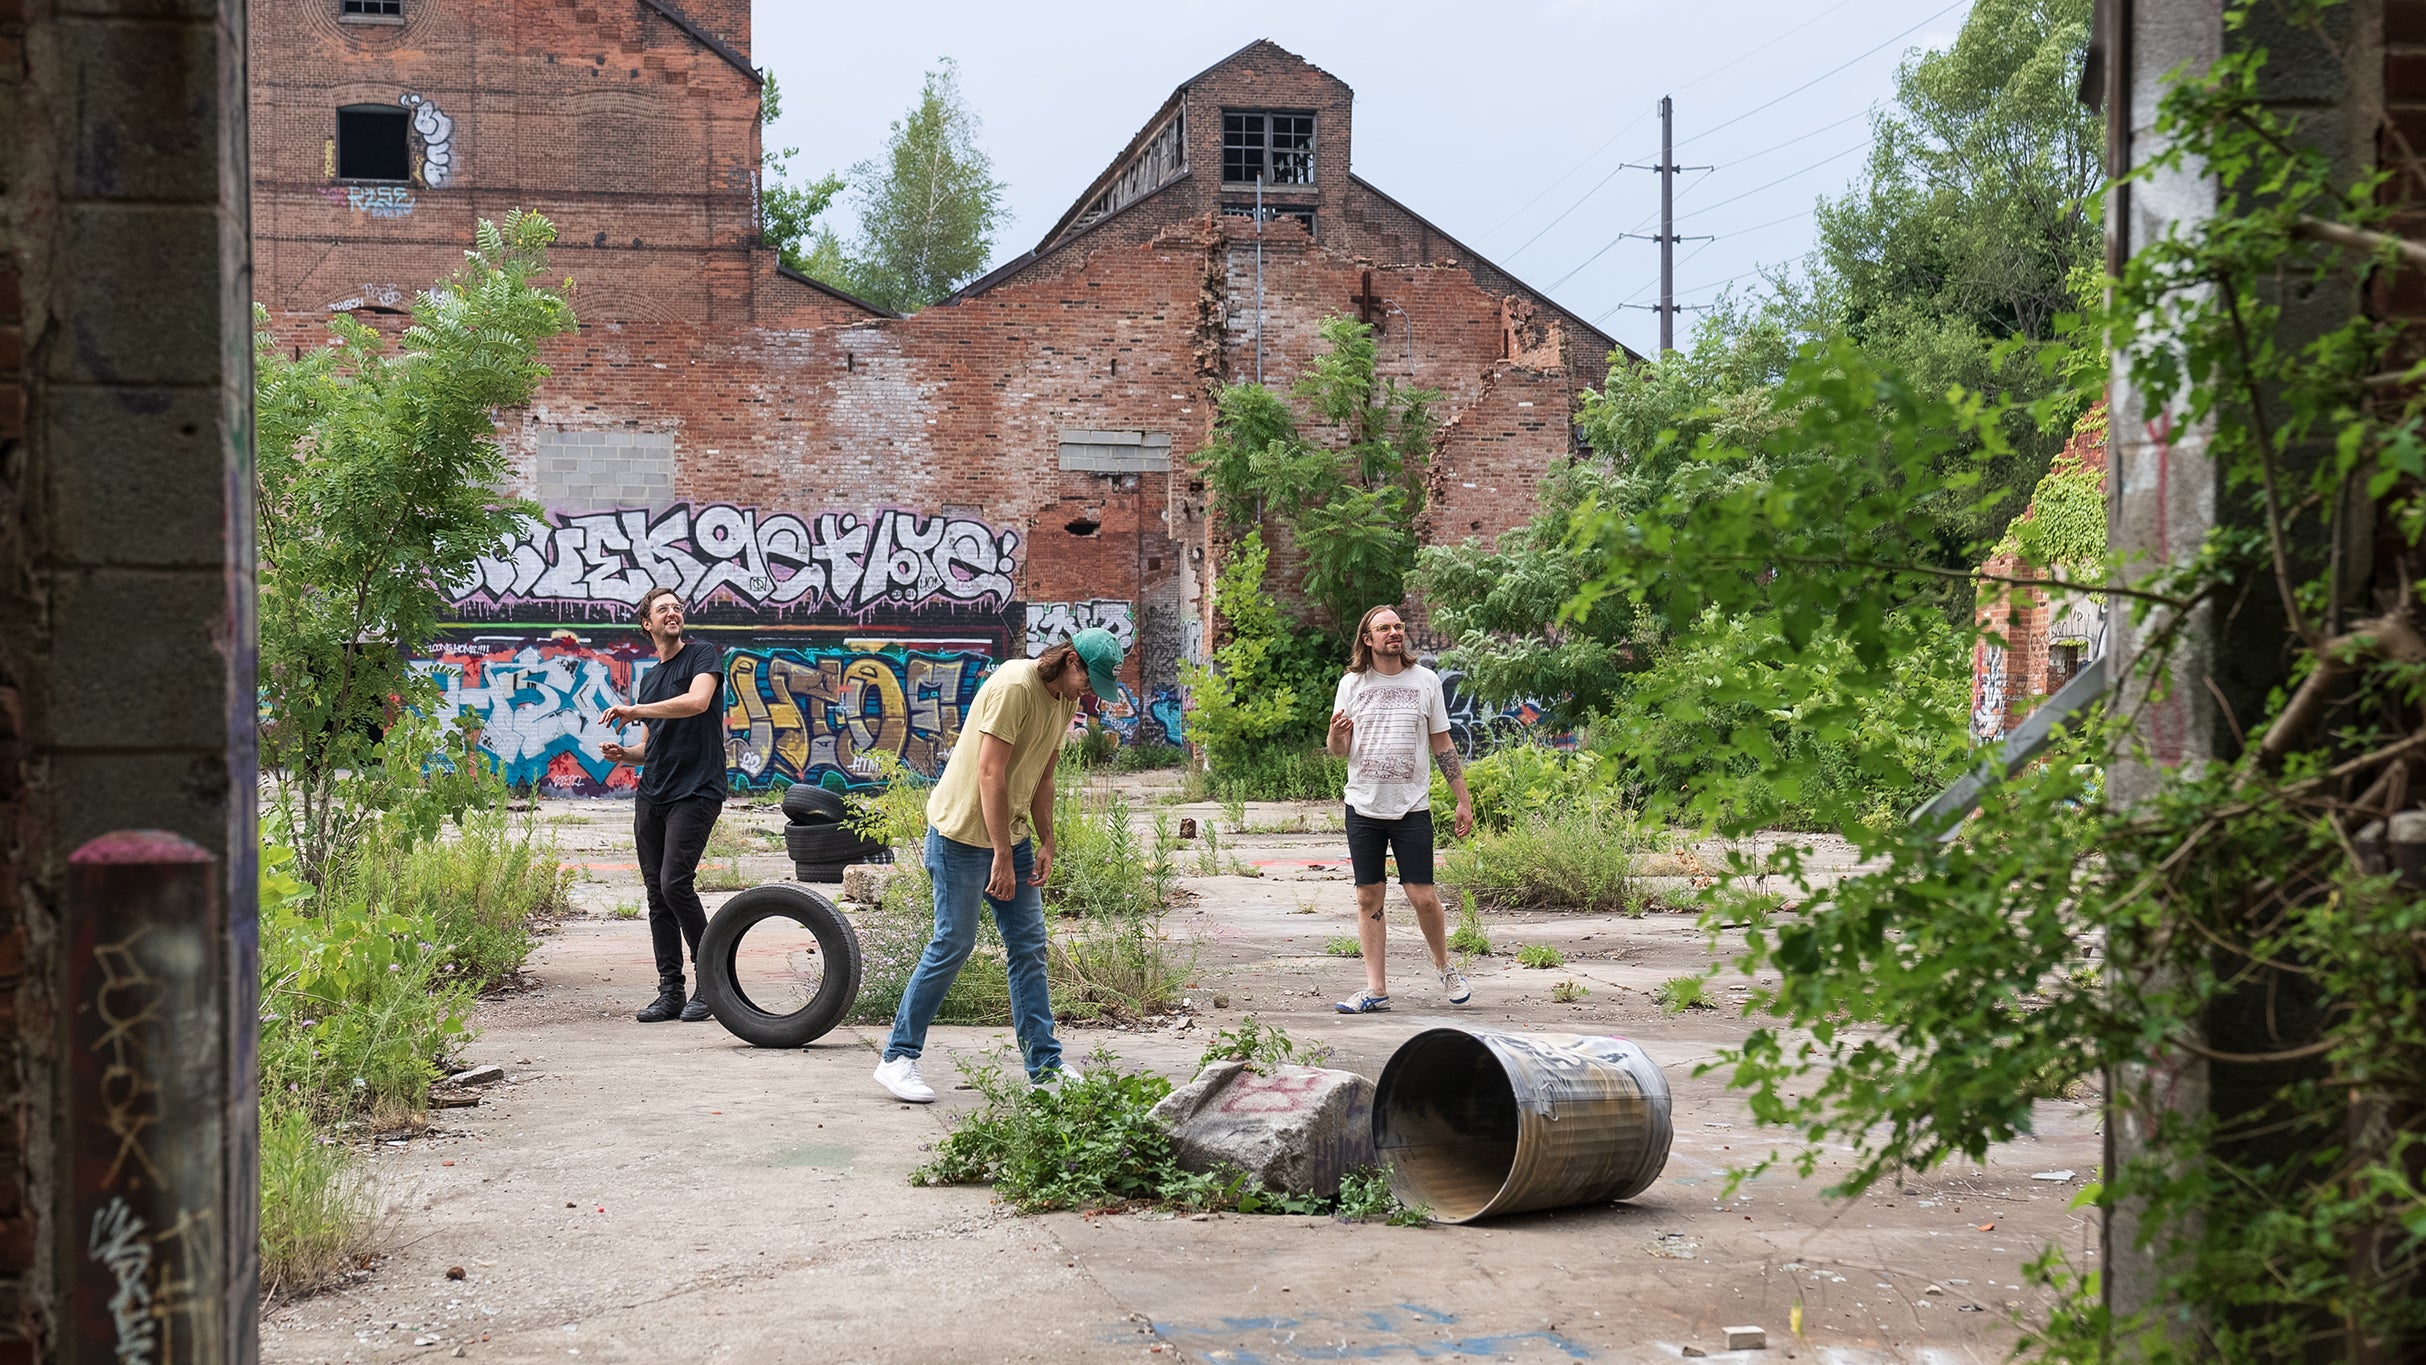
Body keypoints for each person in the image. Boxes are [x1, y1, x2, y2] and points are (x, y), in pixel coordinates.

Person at [872, 628, 1126, 1102]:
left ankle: (1045, 1067)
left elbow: (1044, 774)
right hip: (962, 835)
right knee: (954, 942)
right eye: (1088, 680)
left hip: (1012, 836)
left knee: (1029, 945)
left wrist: (1048, 840)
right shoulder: (1015, 686)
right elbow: (990, 772)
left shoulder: (1065, 699)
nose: (1088, 692)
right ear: (1070, 660)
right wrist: (1002, 857)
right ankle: (897, 1058)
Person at [1325, 604, 1475, 1014]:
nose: (1394, 632)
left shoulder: (1426, 681)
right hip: (1363, 805)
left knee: (1422, 895)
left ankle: (1445, 966)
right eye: (1383, 628)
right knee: (1367, 896)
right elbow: (1338, 750)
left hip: (1411, 808)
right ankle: (1376, 990)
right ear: (1367, 639)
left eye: (1398, 626)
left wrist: (1463, 799)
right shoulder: (1351, 684)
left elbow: (1442, 743)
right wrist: (1337, 735)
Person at [601, 586, 726, 1024]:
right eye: (663, 609)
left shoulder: (703, 655)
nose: (673, 612)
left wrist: (636, 709)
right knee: (657, 894)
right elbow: (648, 747)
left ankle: (714, 983)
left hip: (697, 789)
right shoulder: (651, 679)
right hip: (653, 793)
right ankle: (670, 990)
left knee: (676, 883)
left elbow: (697, 702)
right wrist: (625, 755)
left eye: (677, 607)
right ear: (647, 624)